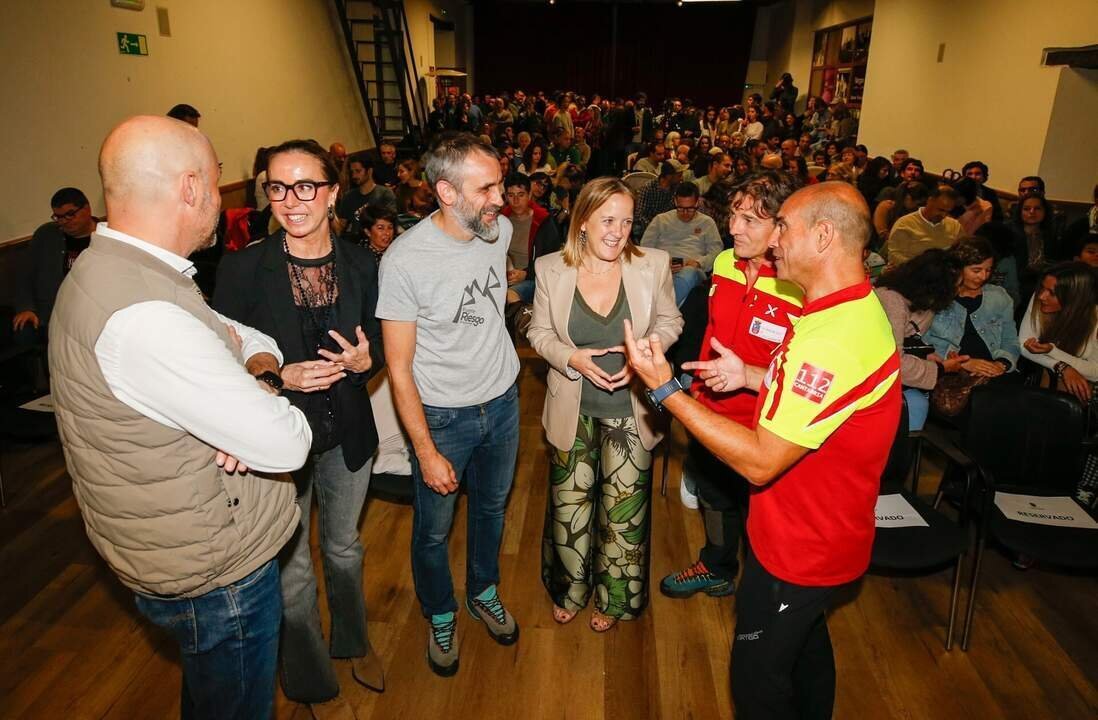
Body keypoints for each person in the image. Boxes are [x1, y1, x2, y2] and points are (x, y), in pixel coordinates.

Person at [50, 115, 313, 719]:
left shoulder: (117, 270)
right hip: (217, 573)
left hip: (180, 542)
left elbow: (241, 335)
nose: (221, 199)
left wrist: (249, 377)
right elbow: (286, 443)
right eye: (216, 181)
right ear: (191, 187)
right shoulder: (146, 313)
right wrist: (261, 394)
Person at [622, 181, 901, 719]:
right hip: (812, 534)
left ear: (823, 236)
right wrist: (751, 374)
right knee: (805, 655)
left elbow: (759, 460)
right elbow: (822, 399)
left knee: (757, 684)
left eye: (785, 228)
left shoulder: (831, 339)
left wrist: (665, 389)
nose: (775, 241)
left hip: (802, 548)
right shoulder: (843, 311)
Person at [213, 139, 387, 717]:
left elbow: (378, 340)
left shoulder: (363, 263)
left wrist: (367, 361)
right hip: (278, 439)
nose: (291, 200)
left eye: (306, 186)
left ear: (333, 192)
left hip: (348, 433)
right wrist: (276, 373)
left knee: (344, 548)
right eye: (278, 187)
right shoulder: (242, 268)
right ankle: (309, 677)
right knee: (290, 568)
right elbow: (222, 353)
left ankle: (354, 641)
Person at [376, 133, 520, 677]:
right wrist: (425, 450)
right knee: (433, 530)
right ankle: (440, 611)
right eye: (487, 188)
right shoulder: (405, 261)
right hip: (443, 418)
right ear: (446, 192)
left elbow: (493, 301)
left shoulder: (498, 230)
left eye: (500, 184)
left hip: (503, 403)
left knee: (491, 509)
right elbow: (398, 368)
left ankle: (483, 590)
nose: (500, 199)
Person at [527, 177, 682, 632]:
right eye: (608, 221)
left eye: (627, 222)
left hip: (633, 409)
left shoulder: (652, 264)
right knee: (570, 505)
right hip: (571, 407)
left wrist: (646, 353)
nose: (618, 232)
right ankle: (571, 590)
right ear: (583, 221)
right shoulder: (550, 268)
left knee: (624, 511)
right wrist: (570, 357)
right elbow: (539, 332)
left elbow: (672, 320)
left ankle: (615, 599)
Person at [659, 171, 804, 601]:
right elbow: (713, 333)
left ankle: (765, 594)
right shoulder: (725, 263)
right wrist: (696, 390)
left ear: (781, 227)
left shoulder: (802, 285)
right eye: (734, 215)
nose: (734, 228)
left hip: (766, 428)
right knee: (713, 494)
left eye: (750, 220)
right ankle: (716, 567)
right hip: (711, 411)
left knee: (760, 515)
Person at [875, 249, 968, 430]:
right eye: (956, 286)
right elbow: (893, 362)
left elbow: (907, 340)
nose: (958, 291)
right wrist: (941, 369)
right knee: (916, 405)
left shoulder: (918, 301)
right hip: (872, 376)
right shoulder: (892, 301)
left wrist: (925, 354)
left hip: (887, 375)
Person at [926, 237, 1021, 384]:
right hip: (951, 372)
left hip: (994, 370)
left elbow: (1010, 340)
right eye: (976, 270)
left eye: (988, 270)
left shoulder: (999, 296)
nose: (983, 276)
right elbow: (925, 342)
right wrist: (962, 363)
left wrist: (1002, 364)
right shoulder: (936, 298)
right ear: (957, 269)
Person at [13, 187, 98, 348]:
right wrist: (26, 308)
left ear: (87, 209)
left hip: (91, 314)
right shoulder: (46, 235)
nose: (64, 221)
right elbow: (25, 276)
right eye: (58, 217)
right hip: (52, 313)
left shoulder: (105, 237)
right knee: (25, 334)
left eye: (70, 214)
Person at [1019, 262, 1098, 405]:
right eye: (1042, 287)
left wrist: (1053, 352)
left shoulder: (1095, 319)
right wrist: (1061, 366)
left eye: (1053, 293)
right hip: (1046, 386)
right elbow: (1023, 345)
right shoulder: (1039, 299)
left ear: (1076, 298)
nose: (1042, 296)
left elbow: (1095, 372)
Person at [640, 182, 723, 306]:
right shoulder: (661, 220)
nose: (685, 213)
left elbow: (716, 252)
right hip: (661, 269)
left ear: (697, 203)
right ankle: (666, 311)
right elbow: (644, 249)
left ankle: (664, 310)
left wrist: (699, 262)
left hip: (692, 269)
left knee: (688, 274)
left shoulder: (707, 223)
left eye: (690, 209)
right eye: (681, 208)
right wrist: (662, 263)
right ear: (675, 202)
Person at [502, 173, 561, 306]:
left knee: (508, 296)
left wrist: (526, 274)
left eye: (521, 195)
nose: (516, 201)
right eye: (511, 195)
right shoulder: (501, 220)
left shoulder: (544, 222)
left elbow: (552, 260)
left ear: (529, 195)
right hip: (504, 276)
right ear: (505, 197)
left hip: (534, 278)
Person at [884, 184, 962, 267]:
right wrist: (921, 268)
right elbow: (894, 256)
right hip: (910, 270)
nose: (944, 215)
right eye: (941, 210)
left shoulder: (954, 226)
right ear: (930, 201)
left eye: (948, 211)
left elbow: (962, 251)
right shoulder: (905, 224)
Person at [336, 154, 397, 234]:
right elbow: (340, 227)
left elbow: (391, 223)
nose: (354, 176)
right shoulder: (349, 196)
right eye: (352, 172)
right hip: (355, 239)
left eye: (358, 171)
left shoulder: (385, 194)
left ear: (369, 171)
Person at [633, 160, 684, 239]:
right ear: (669, 176)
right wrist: (655, 227)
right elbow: (640, 215)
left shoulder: (677, 188)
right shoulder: (649, 188)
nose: (681, 178)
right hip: (648, 225)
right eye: (679, 176)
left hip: (667, 226)